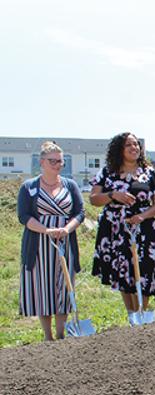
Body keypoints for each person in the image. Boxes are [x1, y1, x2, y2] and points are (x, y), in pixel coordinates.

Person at [89, 132, 155, 316]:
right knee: (123, 272)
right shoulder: (107, 172)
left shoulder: (152, 173)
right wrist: (112, 195)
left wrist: (143, 216)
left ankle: (141, 311)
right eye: (128, 145)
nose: (134, 148)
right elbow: (93, 199)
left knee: (146, 269)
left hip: (145, 228)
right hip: (116, 229)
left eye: (136, 144)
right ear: (119, 150)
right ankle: (132, 314)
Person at [17, 142, 85, 341]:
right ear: (42, 162)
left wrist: (66, 229)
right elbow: (24, 216)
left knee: (64, 287)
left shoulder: (70, 185)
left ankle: (61, 332)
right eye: (52, 161)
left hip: (65, 243)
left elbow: (80, 212)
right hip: (38, 245)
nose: (57, 165)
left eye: (60, 161)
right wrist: (47, 230)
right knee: (42, 288)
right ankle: (48, 336)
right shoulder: (29, 187)